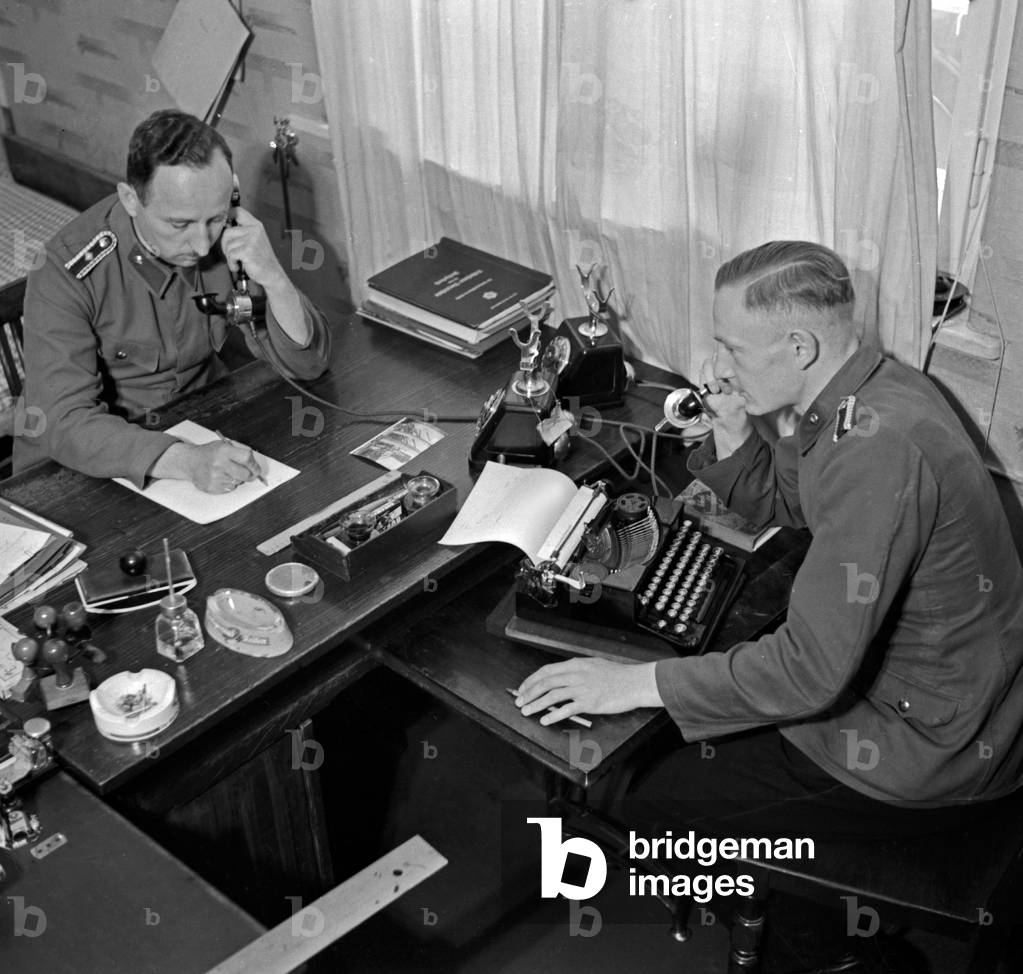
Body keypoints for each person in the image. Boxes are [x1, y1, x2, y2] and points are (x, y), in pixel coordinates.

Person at [515, 240, 1023, 823]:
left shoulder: (874, 452)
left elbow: (809, 673)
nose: (720, 366)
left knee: (651, 802)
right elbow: (792, 499)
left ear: (800, 347)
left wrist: (630, 685)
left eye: (731, 347)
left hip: (927, 743)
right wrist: (734, 428)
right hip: (962, 696)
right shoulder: (872, 391)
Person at [14, 109, 332, 492]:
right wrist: (185, 459)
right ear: (131, 200)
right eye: (179, 225)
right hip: (86, 463)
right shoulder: (65, 269)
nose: (201, 245)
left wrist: (275, 279)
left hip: (197, 427)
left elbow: (308, 365)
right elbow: (64, 420)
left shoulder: (230, 236)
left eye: (214, 219)